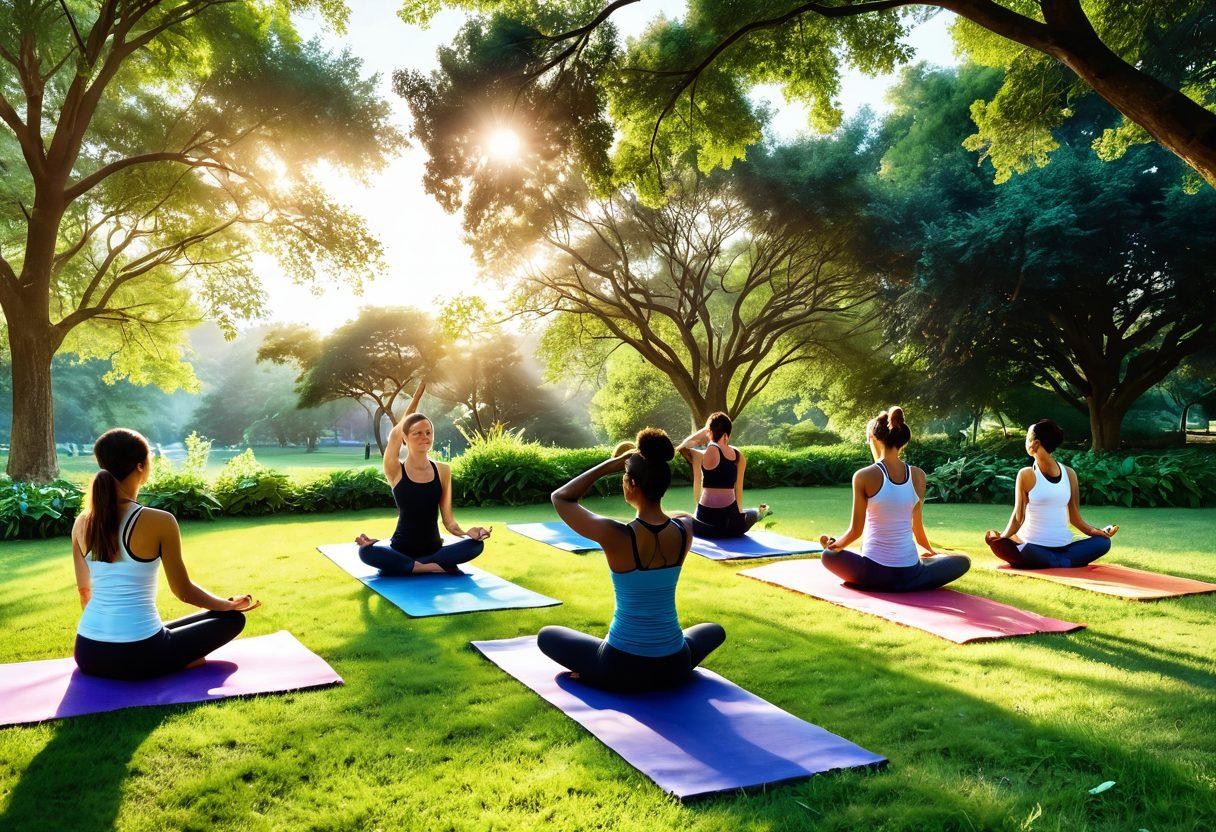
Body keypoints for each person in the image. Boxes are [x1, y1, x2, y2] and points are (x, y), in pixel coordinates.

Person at [539, 428, 725, 692]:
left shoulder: (616, 535)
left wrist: (611, 465)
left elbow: (561, 497)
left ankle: (597, 675)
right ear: (663, 484)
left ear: (631, 485)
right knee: (714, 630)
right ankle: (659, 661)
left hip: (621, 666)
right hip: (675, 663)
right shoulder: (685, 527)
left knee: (548, 636)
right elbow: (668, 516)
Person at [72, 429, 259, 681]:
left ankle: (171, 652)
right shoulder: (159, 521)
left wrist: (108, 635)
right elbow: (183, 591)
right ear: (141, 466)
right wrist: (228, 606)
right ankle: (177, 663)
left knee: (212, 615)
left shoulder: (82, 522)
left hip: (87, 651)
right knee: (231, 620)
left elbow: (85, 592)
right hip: (137, 655)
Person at [820, 407, 971, 592]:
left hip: (873, 572)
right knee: (963, 561)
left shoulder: (863, 476)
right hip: (911, 574)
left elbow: (855, 531)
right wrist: (930, 551)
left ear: (875, 438)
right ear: (904, 442)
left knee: (828, 556)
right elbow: (917, 528)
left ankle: (856, 571)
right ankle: (917, 571)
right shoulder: (918, 476)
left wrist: (835, 547)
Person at [355, 381, 490, 575]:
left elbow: (449, 521)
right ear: (406, 438)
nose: (424, 437)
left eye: (428, 432)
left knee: (475, 546)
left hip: (433, 551)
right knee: (366, 552)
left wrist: (468, 533)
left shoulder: (443, 470)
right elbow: (394, 435)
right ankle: (428, 568)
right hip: (401, 549)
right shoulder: (395, 470)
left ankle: (414, 567)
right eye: (417, 433)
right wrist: (416, 400)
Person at [984, 419, 1118, 568]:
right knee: (1014, 546)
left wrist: (1096, 532)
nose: (1026, 442)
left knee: (1103, 542)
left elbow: (1074, 518)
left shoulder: (1064, 474)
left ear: (1035, 444)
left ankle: (1052, 560)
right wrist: (1003, 538)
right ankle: (1061, 560)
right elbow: (1019, 517)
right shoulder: (1037, 474)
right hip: (1040, 546)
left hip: (1049, 547)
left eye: (1028, 438)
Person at [675, 412, 769, 538]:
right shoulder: (738, 456)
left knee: (683, 518)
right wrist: (739, 519)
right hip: (729, 523)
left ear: (710, 432)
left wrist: (708, 429)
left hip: (705, 523)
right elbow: (738, 491)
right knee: (753, 513)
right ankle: (762, 512)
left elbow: (683, 446)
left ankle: (760, 512)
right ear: (727, 435)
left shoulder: (704, 453)